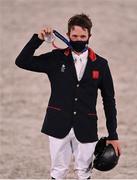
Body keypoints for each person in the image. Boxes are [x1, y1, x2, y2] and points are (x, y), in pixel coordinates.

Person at [15, 13, 121, 179]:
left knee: (84, 173)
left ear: (89, 36)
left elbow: (109, 101)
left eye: (83, 36)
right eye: (74, 36)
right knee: (58, 171)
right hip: (57, 124)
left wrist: (113, 135)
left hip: (86, 126)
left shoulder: (101, 64)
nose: (79, 39)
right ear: (68, 35)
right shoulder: (56, 58)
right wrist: (39, 39)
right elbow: (22, 61)